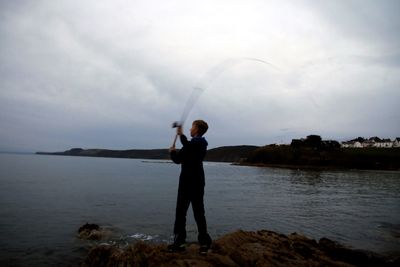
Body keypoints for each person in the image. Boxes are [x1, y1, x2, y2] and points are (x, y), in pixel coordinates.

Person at [168, 120, 212, 254]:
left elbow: (189, 145)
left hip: (196, 183)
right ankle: (179, 242)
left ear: (197, 129)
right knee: (180, 213)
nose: (190, 129)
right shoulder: (189, 145)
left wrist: (181, 135)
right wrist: (172, 152)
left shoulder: (200, 142)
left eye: (192, 127)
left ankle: (204, 243)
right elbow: (178, 160)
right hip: (185, 183)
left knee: (199, 212)